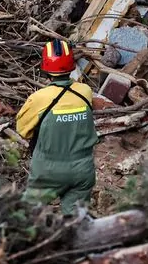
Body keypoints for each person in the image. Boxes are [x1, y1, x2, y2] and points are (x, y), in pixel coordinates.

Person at [16, 40, 97, 212]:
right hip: (83, 170)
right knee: (77, 222)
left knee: (29, 217)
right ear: (72, 65)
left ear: (45, 66)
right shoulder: (85, 92)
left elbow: (23, 130)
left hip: (48, 171)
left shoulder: (39, 98)